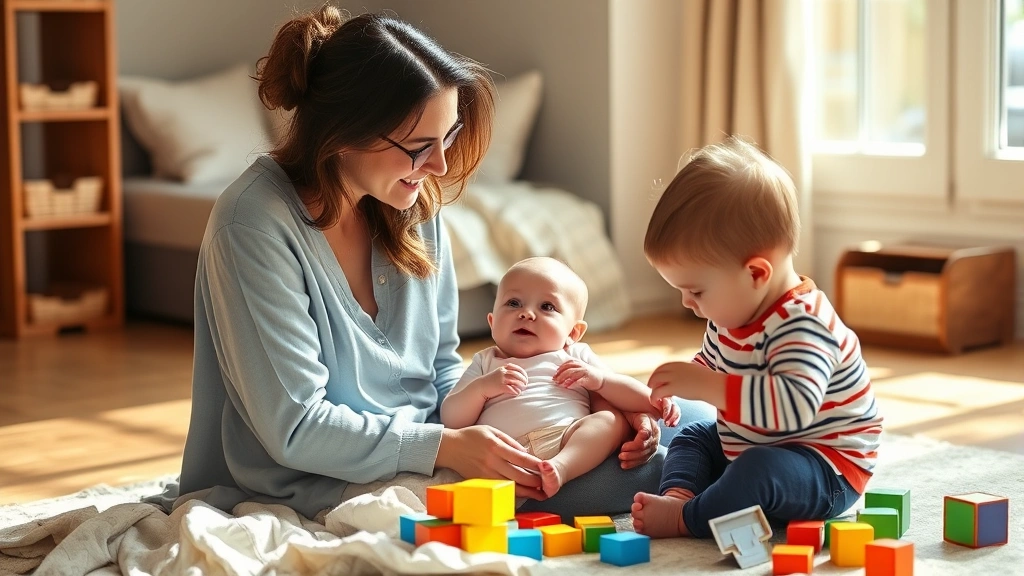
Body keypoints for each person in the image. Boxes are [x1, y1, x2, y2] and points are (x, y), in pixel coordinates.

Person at [151, 5, 713, 522]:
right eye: (420, 146)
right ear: (345, 133)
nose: (441, 165)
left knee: (680, 419)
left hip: (440, 438)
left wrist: (600, 404)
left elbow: (442, 368)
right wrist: (448, 448)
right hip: (316, 478)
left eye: (448, 137)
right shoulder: (253, 224)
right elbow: (295, 429)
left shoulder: (411, 201)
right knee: (666, 463)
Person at [630, 136, 884, 539]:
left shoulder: (804, 325)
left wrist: (707, 386)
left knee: (757, 472)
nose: (687, 303)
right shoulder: (729, 312)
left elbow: (792, 407)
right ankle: (680, 495)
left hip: (824, 465)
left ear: (755, 273)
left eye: (696, 291)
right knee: (694, 437)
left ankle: (686, 519)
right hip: (752, 443)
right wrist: (673, 388)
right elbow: (714, 365)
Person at [441, 257, 681, 498]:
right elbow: (452, 418)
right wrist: (482, 388)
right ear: (492, 323)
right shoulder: (485, 362)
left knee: (610, 420)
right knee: (654, 462)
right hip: (504, 452)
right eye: (513, 303)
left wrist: (607, 383)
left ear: (573, 332)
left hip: (567, 441)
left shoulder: (575, 355)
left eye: (546, 307)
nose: (526, 314)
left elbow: (628, 395)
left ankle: (560, 468)